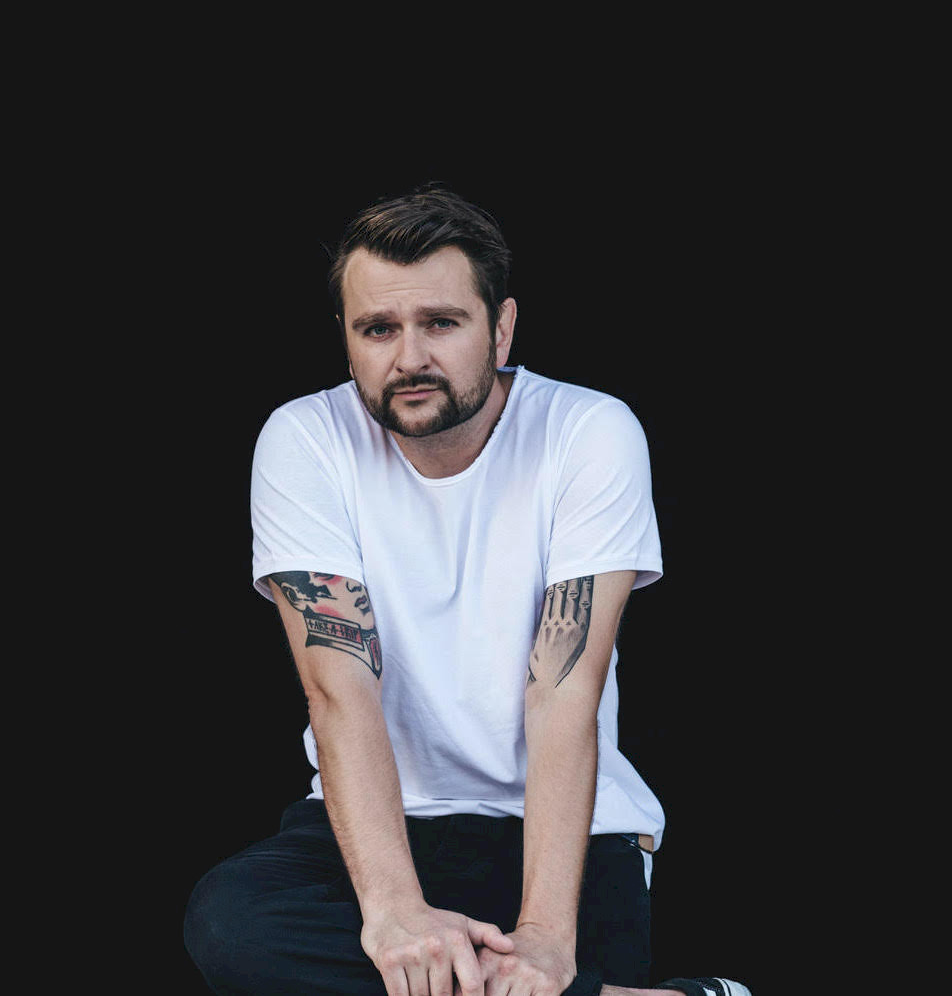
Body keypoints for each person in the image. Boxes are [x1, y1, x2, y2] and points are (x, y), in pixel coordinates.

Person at [183, 185, 751, 996]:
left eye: (441, 323)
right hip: (381, 824)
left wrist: (546, 937)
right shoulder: (306, 439)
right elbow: (340, 689)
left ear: (502, 328)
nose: (409, 357)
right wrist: (394, 911)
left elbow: (564, 690)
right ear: (346, 338)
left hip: (560, 830)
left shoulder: (587, 432)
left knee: (532, 971)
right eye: (378, 328)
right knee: (229, 924)